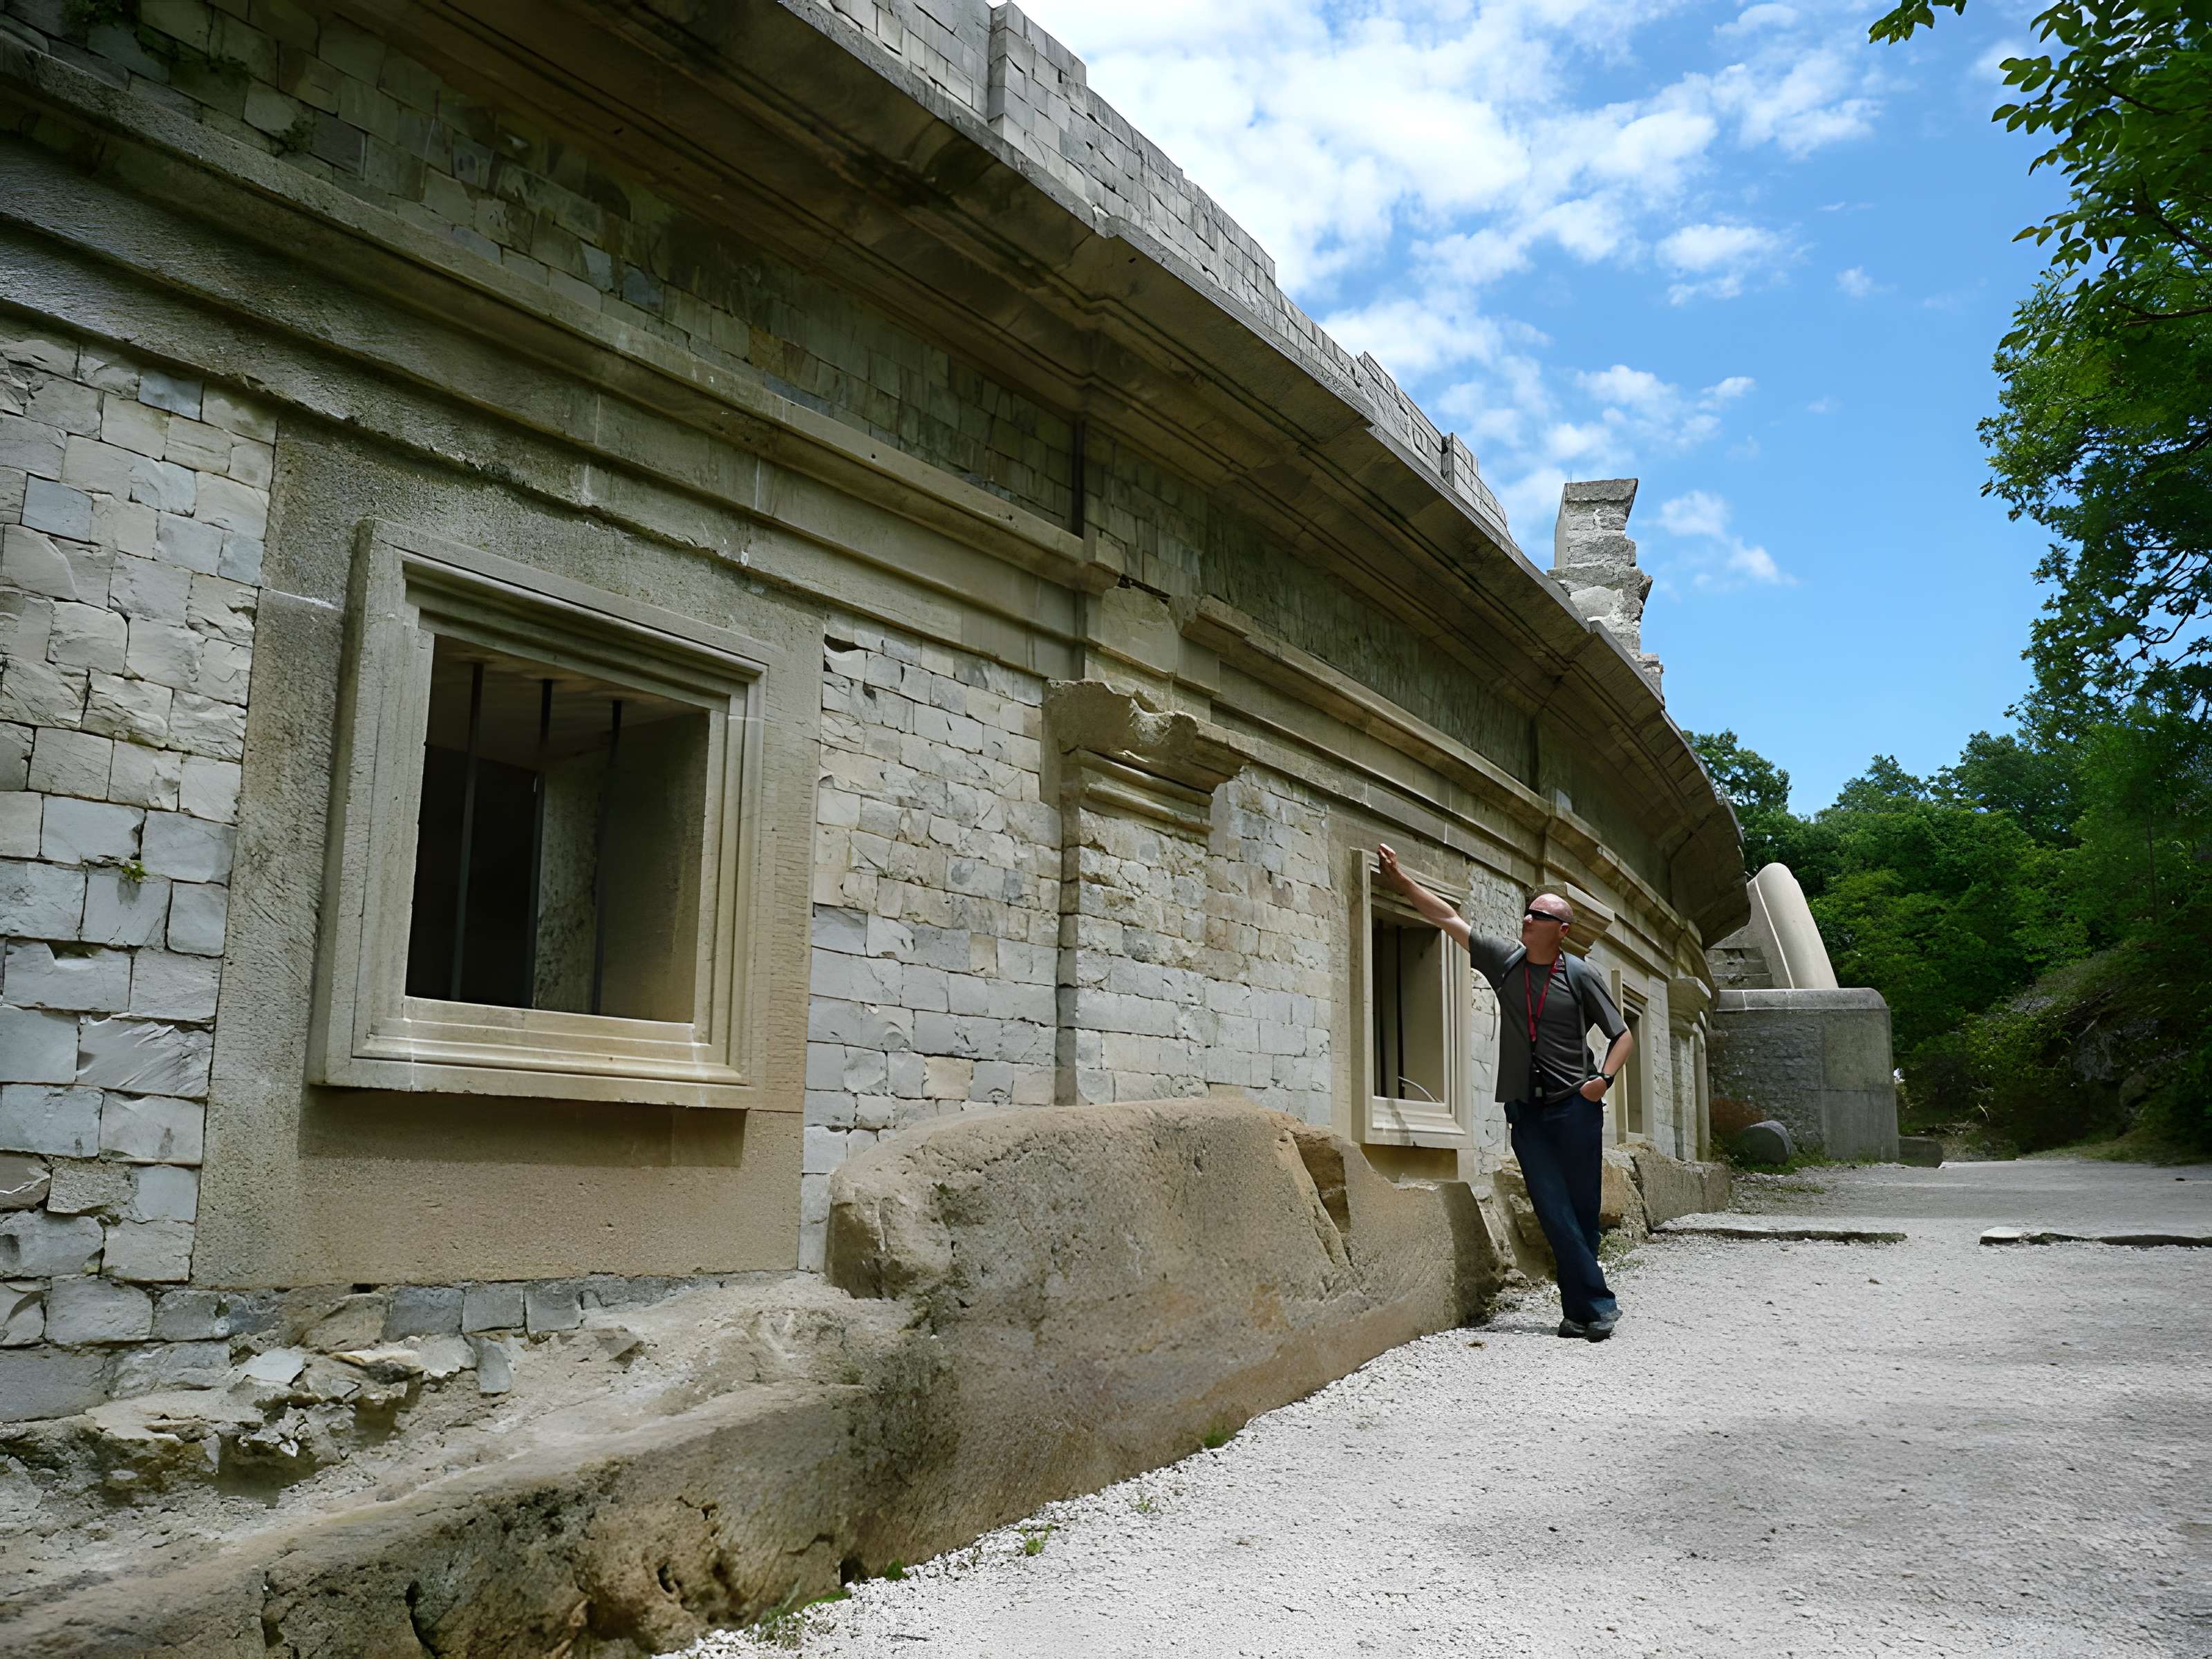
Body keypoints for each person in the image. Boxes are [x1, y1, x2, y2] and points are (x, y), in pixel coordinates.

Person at [1374, 844, 1633, 1342]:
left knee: (1580, 1212)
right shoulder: (1506, 962)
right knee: (1552, 1208)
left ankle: (1577, 1312)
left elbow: (1622, 1035)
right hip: (1527, 1110)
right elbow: (1449, 919)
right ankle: (1600, 1305)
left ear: (1562, 931)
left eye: (1539, 915)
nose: (1527, 919)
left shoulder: (1580, 974)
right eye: (1528, 912)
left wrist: (1602, 1080)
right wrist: (1402, 883)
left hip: (1576, 1108)